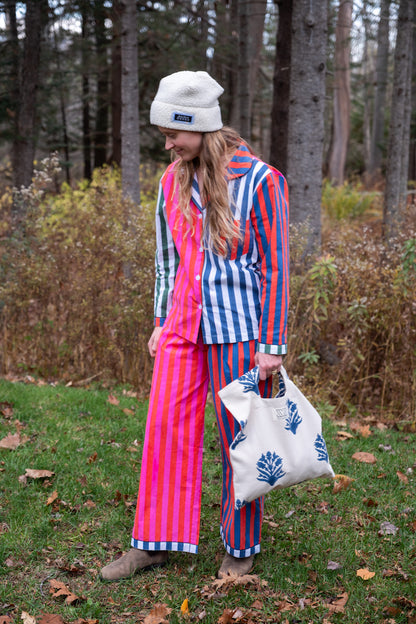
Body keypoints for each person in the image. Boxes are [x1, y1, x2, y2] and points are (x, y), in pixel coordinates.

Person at [101, 70, 289, 581]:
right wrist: (161, 320)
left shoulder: (260, 181)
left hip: (242, 332)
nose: (167, 144)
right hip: (183, 325)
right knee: (164, 429)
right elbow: (167, 261)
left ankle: (240, 546)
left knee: (241, 438)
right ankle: (156, 543)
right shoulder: (171, 182)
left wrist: (271, 344)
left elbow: (275, 266)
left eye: (173, 134)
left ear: (200, 126)